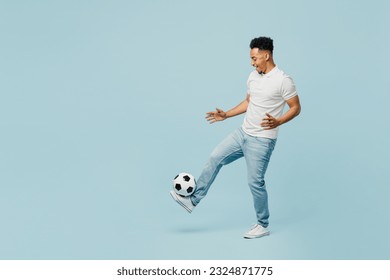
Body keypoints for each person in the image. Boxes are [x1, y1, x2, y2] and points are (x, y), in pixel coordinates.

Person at [170, 36, 301, 239]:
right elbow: (249, 102)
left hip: (263, 140)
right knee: (215, 158)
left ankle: (262, 224)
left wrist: (279, 121)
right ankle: (193, 200)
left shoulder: (283, 80)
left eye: (255, 58)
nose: (252, 62)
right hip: (242, 134)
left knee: (255, 182)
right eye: (251, 58)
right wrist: (226, 115)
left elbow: (296, 107)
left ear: (266, 56)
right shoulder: (253, 76)